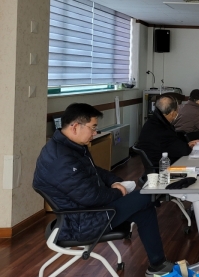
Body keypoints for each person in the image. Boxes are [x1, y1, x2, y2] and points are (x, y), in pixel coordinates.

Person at [33, 103, 175, 276]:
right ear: (75, 127)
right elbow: (90, 197)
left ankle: (157, 265)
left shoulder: (69, 147)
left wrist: (116, 181)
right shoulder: (61, 159)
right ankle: (157, 265)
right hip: (82, 221)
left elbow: (95, 171)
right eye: (93, 128)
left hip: (86, 212)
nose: (95, 133)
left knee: (144, 206)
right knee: (145, 197)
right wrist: (119, 192)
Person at [137, 94, 199, 167]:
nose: (177, 114)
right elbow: (183, 151)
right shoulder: (163, 130)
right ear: (172, 113)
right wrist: (188, 147)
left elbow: (171, 144)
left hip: (156, 161)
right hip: (163, 168)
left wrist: (187, 145)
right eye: (177, 112)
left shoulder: (153, 122)